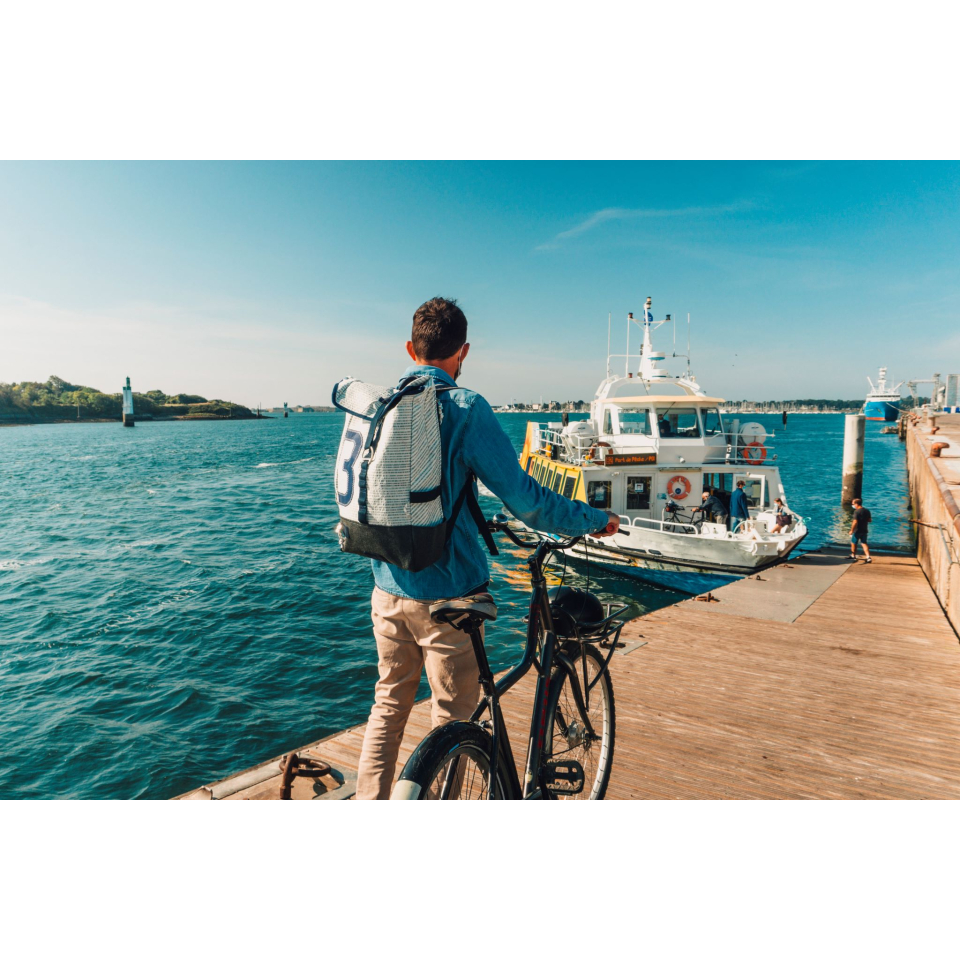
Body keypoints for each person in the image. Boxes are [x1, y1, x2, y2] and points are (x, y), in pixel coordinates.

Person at [355, 297, 619, 800]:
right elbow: (527, 501)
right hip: (449, 593)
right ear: (464, 352)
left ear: (411, 348)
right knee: (450, 718)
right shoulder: (465, 408)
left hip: (386, 585)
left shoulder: (383, 405)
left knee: (387, 704)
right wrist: (592, 519)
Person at [850, 497, 872, 563]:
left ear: (856, 504)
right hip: (864, 529)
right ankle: (868, 557)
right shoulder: (867, 511)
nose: (852, 505)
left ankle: (853, 555)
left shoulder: (856, 512)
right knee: (864, 543)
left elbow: (855, 522)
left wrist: (851, 530)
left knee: (853, 543)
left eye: (853, 504)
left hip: (857, 530)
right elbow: (869, 520)